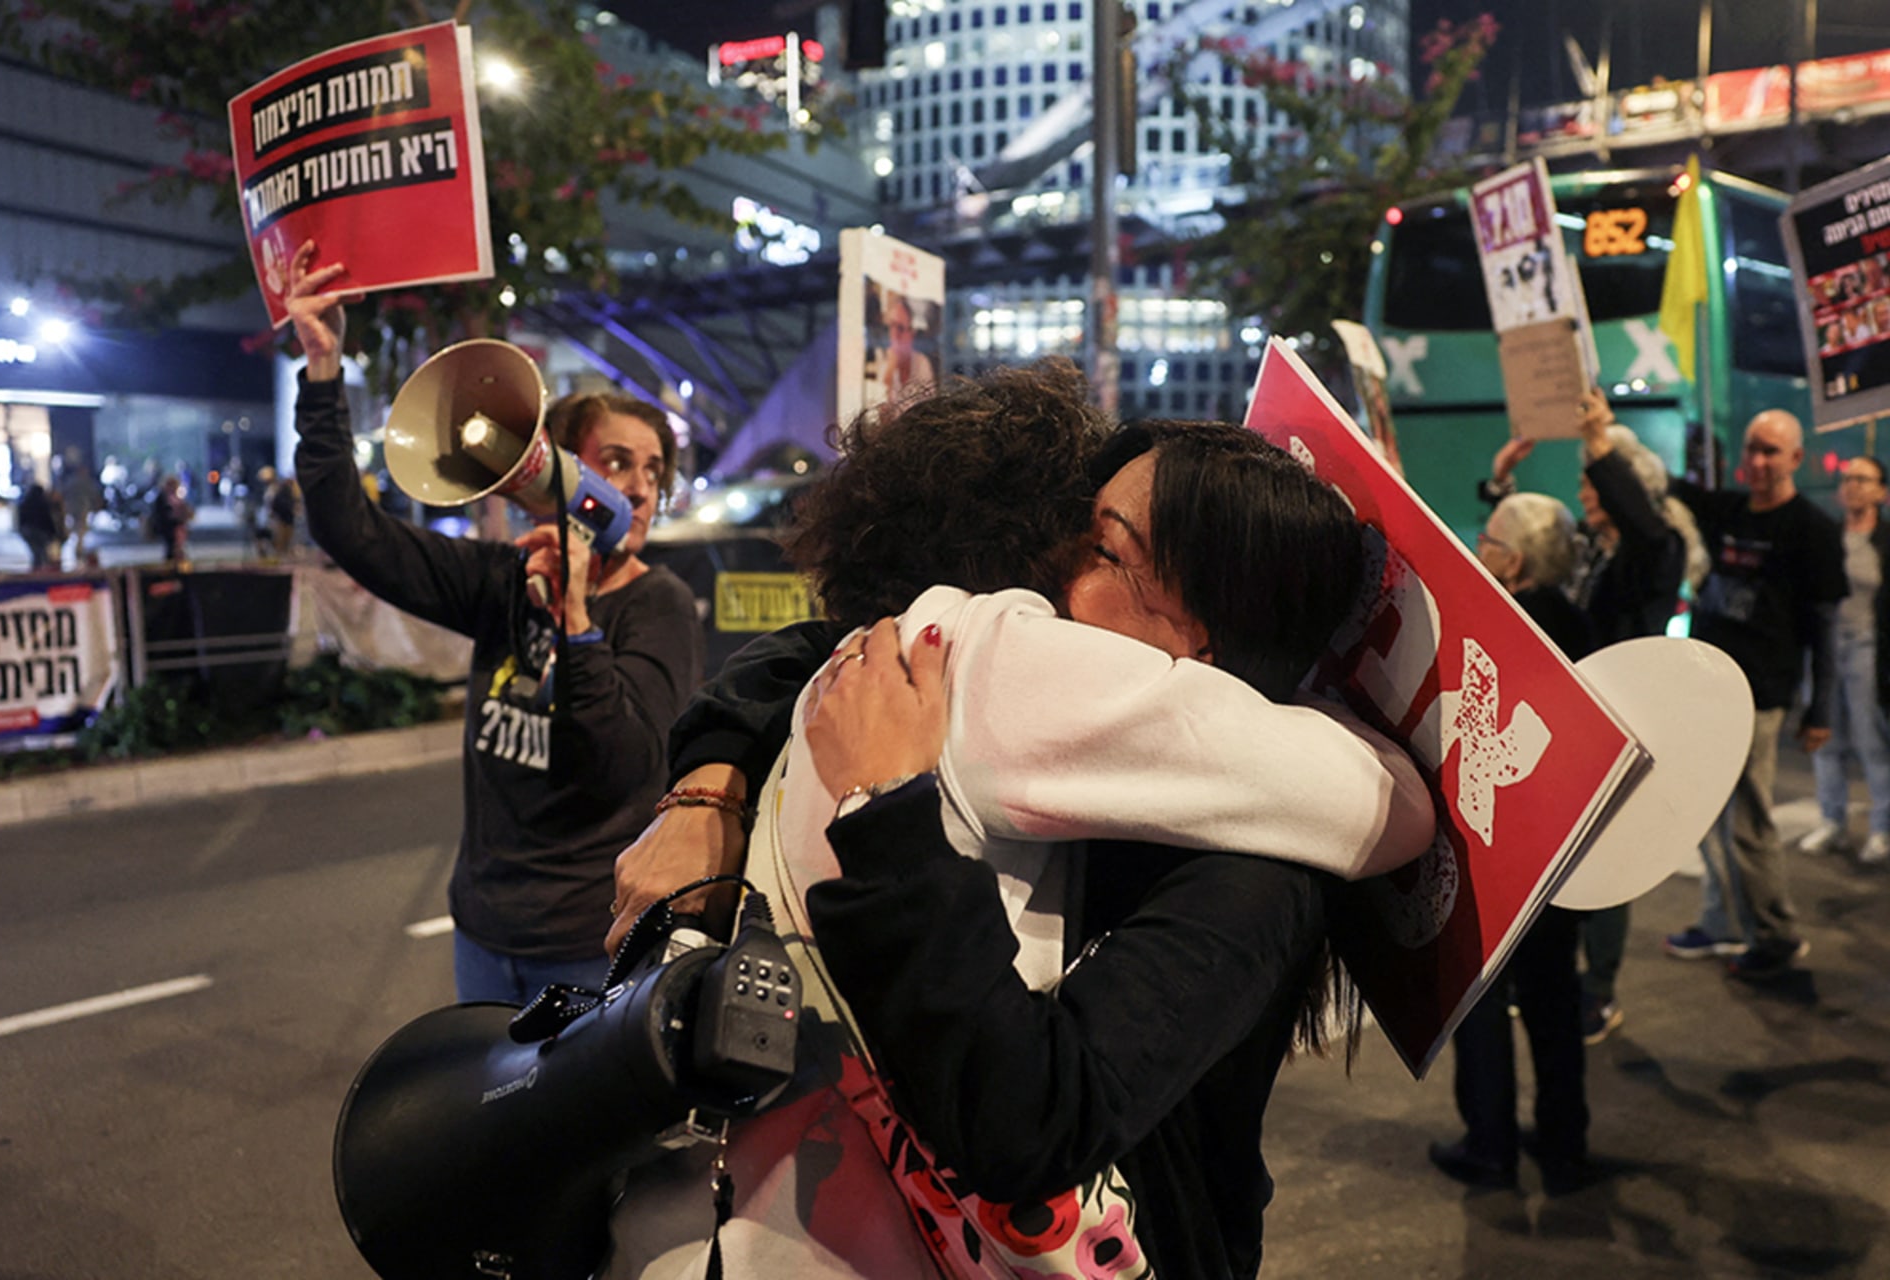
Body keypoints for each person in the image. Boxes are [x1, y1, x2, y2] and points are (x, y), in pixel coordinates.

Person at [603, 364, 1435, 1278]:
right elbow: (1391, 805)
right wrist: (710, 789)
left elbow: (1038, 1125)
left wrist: (868, 806)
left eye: (1098, 547)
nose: (1049, 566)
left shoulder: (1253, 860)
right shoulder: (994, 661)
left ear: (1203, 637)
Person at [283, 239, 703, 1004]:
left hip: (589, 947)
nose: (639, 490)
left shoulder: (658, 603)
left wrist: (576, 620)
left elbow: (627, 764)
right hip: (484, 936)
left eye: (654, 472)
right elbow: (352, 530)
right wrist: (321, 370)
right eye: (615, 462)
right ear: (561, 467)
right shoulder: (503, 582)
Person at [1483, 389, 1707, 1042]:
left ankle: (1597, 993)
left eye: (1595, 480)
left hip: (1618, 735)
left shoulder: (1653, 553)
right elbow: (1524, 547)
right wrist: (1503, 478)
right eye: (1584, 479)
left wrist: (1603, 441)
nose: (1583, 491)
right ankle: (1560, 985)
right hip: (1569, 729)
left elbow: (1645, 527)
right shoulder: (1593, 547)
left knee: (1606, 874)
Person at [1430, 490, 1597, 1195]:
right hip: (1562, 855)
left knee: (1483, 999)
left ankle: (1490, 1142)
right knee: (1558, 1000)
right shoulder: (1582, 626)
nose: (1478, 547)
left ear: (1514, 561)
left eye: (1488, 539)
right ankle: (1565, 1144)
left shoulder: (1491, 630)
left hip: (1495, 850)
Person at [1662, 410, 1846, 981]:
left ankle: (1776, 935)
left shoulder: (1811, 528)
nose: (1760, 462)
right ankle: (1723, 922)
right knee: (1712, 815)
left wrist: (1819, 710)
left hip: (1760, 694)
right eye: (1753, 449)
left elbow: (1825, 629)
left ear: (1796, 458)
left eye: (1773, 451)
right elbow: (1665, 487)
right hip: (1707, 687)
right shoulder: (1730, 511)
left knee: (1748, 821)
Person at [1798, 454, 1890, 866]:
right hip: (1826, 648)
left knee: (1873, 740)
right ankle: (1832, 820)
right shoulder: (1826, 537)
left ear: (1881, 492)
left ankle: (1882, 828)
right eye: (1849, 478)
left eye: (1863, 479)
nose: (1853, 485)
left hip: (1868, 647)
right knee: (1825, 738)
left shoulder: (1884, 541)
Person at [874, 288, 935, 406]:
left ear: (911, 332)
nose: (895, 334)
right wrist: (890, 370)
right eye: (892, 325)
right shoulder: (883, 360)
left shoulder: (921, 363)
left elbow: (928, 407)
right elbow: (879, 411)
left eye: (900, 328)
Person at [14, 475, 61, 571]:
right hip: (41, 532)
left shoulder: (25, 503)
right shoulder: (43, 504)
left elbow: (20, 519)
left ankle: (37, 568)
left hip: (28, 531)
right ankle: (41, 570)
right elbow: (47, 519)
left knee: (36, 552)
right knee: (42, 552)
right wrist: (53, 532)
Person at [146, 474, 192, 565]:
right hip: (168, 527)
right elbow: (160, 513)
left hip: (176, 526)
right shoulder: (162, 497)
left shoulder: (174, 496)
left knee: (177, 546)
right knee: (171, 546)